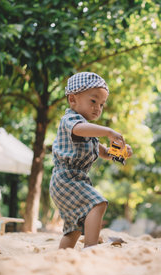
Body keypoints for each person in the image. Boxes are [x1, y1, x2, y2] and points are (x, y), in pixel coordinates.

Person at [49, 72, 132, 249]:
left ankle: (62, 254)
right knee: (98, 203)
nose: (98, 108)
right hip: (66, 178)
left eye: (101, 104)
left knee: (74, 229)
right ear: (72, 100)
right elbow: (80, 129)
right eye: (93, 101)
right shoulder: (71, 120)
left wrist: (121, 153)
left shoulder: (90, 132)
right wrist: (108, 132)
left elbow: (104, 152)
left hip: (74, 179)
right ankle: (91, 248)